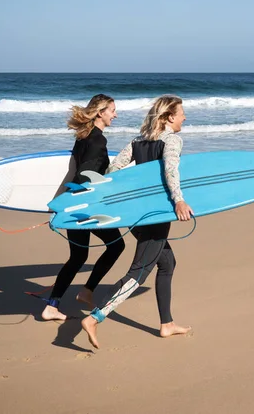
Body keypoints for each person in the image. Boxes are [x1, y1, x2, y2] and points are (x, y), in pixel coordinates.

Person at [81, 94, 193, 348]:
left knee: (167, 262)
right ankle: (96, 317)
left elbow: (112, 171)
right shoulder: (172, 140)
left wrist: (111, 198)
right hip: (155, 215)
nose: (184, 118)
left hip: (135, 216)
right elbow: (170, 171)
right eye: (181, 113)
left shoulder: (137, 142)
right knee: (139, 272)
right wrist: (178, 200)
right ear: (169, 117)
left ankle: (166, 324)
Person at [42, 94, 125, 321]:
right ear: (101, 113)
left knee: (78, 257)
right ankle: (86, 291)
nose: (115, 115)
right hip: (85, 206)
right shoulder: (98, 141)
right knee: (116, 246)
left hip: (74, 203)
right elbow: (83, 175)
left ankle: (53, 305)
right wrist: (76, 204)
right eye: (112, 110)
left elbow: (73, 172)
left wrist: (61, 202)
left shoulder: (82, 137)